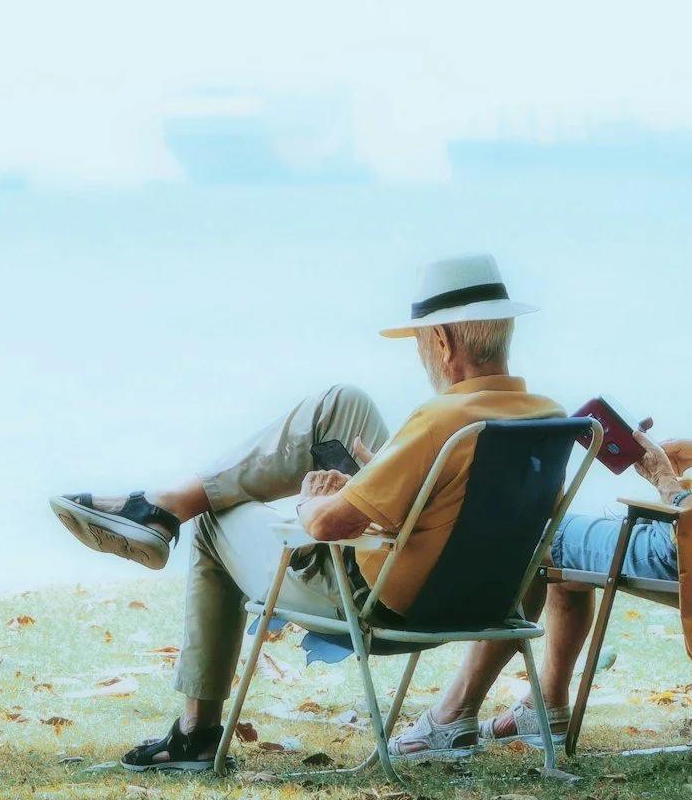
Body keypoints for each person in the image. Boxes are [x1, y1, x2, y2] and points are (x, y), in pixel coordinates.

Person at [47, 253, 563, 771]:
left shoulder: (441, 422)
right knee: (342, 403)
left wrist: (312, 499)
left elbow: (329, 525)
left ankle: (195, 731)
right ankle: (166, 505)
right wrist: (378, 483)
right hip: (485, 598)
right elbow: (470, 513)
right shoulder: (548, 421)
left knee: (210, 523)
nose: (420, 354)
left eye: (419, 341)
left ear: (443, 342)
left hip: (377, 603)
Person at [396, 238, 692, 755]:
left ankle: (454, 713)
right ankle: (548, 706)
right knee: (568, 557)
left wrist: (665, 483)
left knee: (545, 537)